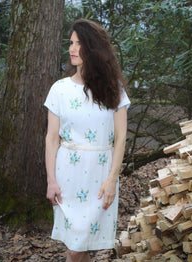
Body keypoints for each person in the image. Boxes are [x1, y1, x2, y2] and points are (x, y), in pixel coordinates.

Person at [44, 19, 130, 262]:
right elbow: (51, 138)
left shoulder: (114, 89)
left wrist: (112, 180)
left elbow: (121, 137)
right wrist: (51, 180)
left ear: (92, 48)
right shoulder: (59, 90)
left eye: (79, 44)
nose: (72, 48)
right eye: (71, 43)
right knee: (74, 248)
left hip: (100, 177)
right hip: (67, 176)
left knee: (78, 248)